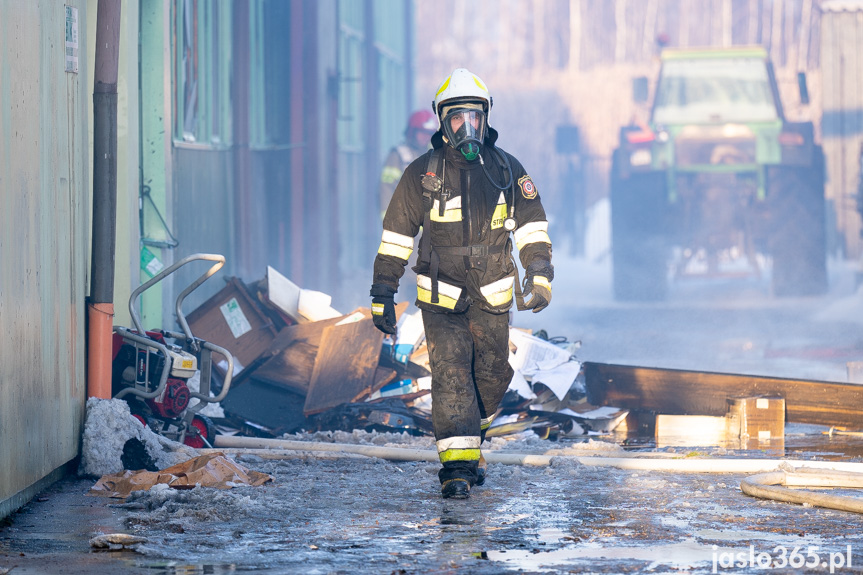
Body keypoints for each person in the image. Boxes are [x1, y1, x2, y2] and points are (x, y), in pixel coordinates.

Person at [369, 68, 553, 499]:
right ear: (442, 121)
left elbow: (532, 229)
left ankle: (473, 436)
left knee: (492, 375)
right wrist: (382, 294)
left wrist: (540, 275)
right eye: (456, 118)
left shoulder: (508, 170)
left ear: (485, 119)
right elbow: (396, 239)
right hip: (441, 296)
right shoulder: (421, 175)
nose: (466, 127)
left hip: (492, 293)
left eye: (473, 117)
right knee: (451, 375)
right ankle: (457, 471)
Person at [379, 109, 438, 219]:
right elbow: (386, 189)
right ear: (412, 132)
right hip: (406, 224)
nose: (426, 137)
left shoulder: (436, 155)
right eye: (422, 132)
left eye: (429, 133)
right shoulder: (398, 156)